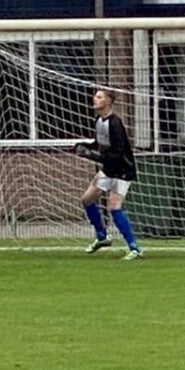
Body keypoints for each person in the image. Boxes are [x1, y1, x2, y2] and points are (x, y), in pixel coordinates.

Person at [74, 86, 141, 260]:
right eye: (95, 96)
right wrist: (84, 146)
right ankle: (102, 236)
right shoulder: (99, 120)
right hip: (109, 169)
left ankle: (135, 248)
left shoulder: (115, 123)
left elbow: (117, 153)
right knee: (87, 199)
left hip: (122, 171)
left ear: (108, 101)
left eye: (99, 97)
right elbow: (100, 144)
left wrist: (92, 156)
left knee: (114, 207)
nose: (94, 99)